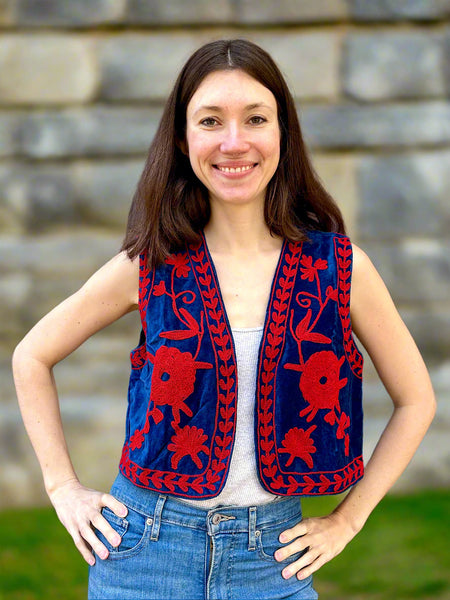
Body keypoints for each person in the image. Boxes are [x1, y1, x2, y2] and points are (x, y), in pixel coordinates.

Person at [12, 39, 436, 600]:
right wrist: (62, 486)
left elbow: (417, 399)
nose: (233, 142)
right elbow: (31, 355)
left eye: (255, 118)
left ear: (282, 132)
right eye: (210, 120)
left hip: (272, 560)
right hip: (144, 554)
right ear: (184, 138)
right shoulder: (150, 264)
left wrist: (348, 519)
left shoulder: (339, 268)